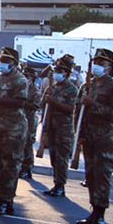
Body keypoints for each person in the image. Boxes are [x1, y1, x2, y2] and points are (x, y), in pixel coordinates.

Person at [75, 48, 113, 224]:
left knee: (102, 176)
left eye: (101, 63)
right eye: (95, 62)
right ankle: (93, 211)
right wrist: (78, 134)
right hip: (89, 136)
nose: (97, 66)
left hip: (105, 138)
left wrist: (94, 104)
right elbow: (78, 112)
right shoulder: (87, 85)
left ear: (110, 66)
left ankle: (100, 213)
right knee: (91, 176)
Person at [0, 47, 31, 216]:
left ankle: (5, 201)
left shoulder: (20, 80)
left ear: (15, 64)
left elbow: (19, 102)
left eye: (6, 61)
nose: (2, 64)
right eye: (1, 60)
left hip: (13, 128)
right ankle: (4, 199)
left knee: (10, 165)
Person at [41, 56, 79, 198]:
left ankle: (60, 185)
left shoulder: (72, 89)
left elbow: (70, 109)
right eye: (56, 70)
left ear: (67, 74)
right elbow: (42, 105)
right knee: (53, 157)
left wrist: (53, 102)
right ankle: (55, 183)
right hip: (51, 126)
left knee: (61, 159)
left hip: (64, 129)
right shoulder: (52, 88)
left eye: (60, 71)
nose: (57, 73)